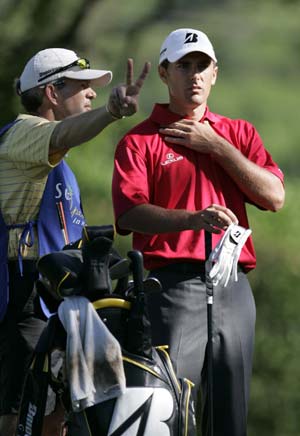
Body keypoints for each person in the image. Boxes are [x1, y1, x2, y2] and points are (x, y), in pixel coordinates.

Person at [112, 28, 285, 436]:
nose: (194, 75)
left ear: (215, 74)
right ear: (166, 73)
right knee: (165, 410)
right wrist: (192, 220)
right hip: (170, 288)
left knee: (230, 415)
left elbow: (274, 196)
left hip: (233, 286)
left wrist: (218, 147)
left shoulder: (238, 134)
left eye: (202, 66)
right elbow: (131, 214)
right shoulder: (140, 140)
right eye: (184, 65)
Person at [0, 47, 150, 436]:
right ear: (51, 92)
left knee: (60, 417)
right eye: (82, 85)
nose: (92, 93)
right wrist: (113, 113)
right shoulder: (22, 134)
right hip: (24, 300)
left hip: (58, 301)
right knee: (17, 417)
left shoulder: (58, 161)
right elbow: (64, 133)